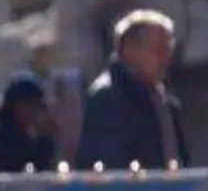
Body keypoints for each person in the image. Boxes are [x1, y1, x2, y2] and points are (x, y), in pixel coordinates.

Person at [74, 10, 189, 171]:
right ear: (129, 49)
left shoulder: (165, 102)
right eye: (158, 49)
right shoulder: (108, 100)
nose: (166, 58)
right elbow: (110, 167)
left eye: (168, 50)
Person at [0, 76, 60, 173]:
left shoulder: (40, 140)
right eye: (32, 105)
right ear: (16, 106)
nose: (36, 111)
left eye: (39, 106)